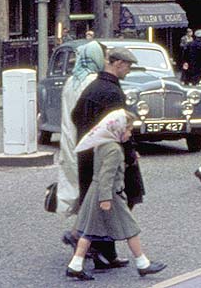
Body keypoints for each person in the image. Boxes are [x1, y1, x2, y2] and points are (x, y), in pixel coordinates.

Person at [65, 109, 166, 280]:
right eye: (128, 130)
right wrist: (105, 199)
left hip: (97, 192)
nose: (129, 134)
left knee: (90, 231)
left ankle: (75, 265)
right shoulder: (114, 150)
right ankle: (143, 264)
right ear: (118, 129)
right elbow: (107, 176)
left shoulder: (102, 144)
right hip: (110, 194)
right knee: (130, 228)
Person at [70, 46, 144, 270]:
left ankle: (102, 252)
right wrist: (130, 154)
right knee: (125, 196)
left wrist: (90, 136)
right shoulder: (112, 92)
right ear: (118, 63)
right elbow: (121, 126)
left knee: (99, 201)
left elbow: (75, 115)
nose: (129, 70)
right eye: (128, 66)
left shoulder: (93, 87)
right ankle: (91, 243)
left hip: (89, 153)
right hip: (110, 155)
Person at [58, 40, 107, 244]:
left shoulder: (72, 80)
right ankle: (81, 235)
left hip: (70, 139)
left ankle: (82, 235)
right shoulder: (93, 81)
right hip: (86, 138)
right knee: (92, 190)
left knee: (80, 187)